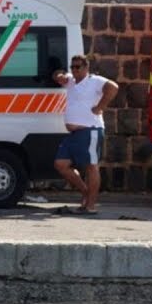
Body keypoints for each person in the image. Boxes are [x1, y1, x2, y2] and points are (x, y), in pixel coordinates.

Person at [51, 54, 118, 215]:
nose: (74, 70)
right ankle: (86, 192)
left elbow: (113, 87)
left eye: (78, 67)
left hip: (90, 130)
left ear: (86, 68)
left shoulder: (94, 80)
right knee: (60, 164)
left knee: (91, 167)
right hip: (74, 134)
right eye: (72, 67)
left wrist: (101, 106)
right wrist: (59, 75)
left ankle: (91, 205)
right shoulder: (71, 81)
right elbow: (56, 75)